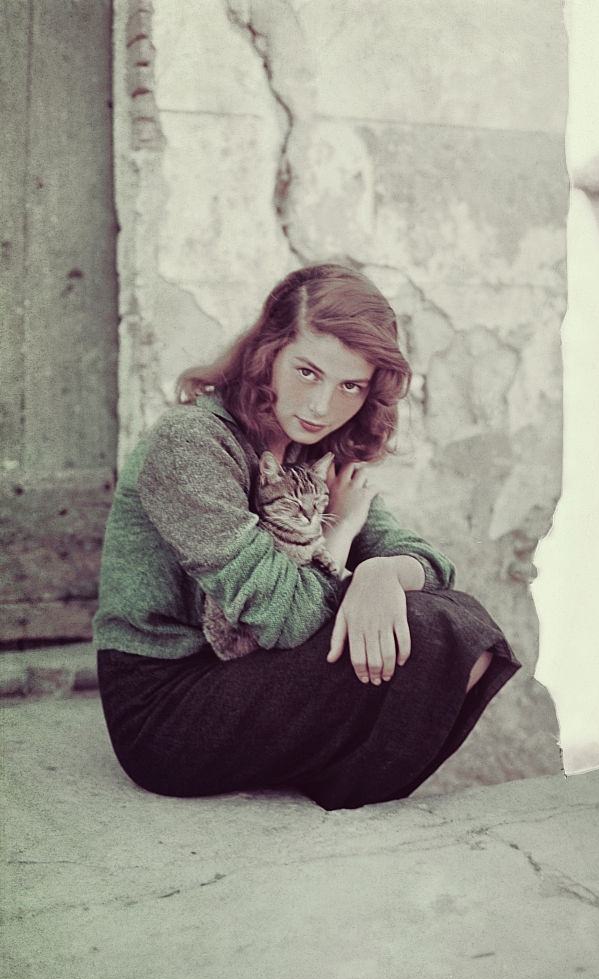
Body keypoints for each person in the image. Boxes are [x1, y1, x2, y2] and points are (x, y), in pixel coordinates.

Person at [93, 263, 520, 810]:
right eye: (308, 372)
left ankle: (343, 791)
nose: (323, 406)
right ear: (267, 354)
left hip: (244, 673)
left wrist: (380, 572)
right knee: (438, 631)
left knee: (463, 627)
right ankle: (349, 795)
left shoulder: (311, 450)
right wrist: (342, 536)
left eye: (350, 386)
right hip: (165, 704)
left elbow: (429, 563)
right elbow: (286, 618)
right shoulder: (191, 445)